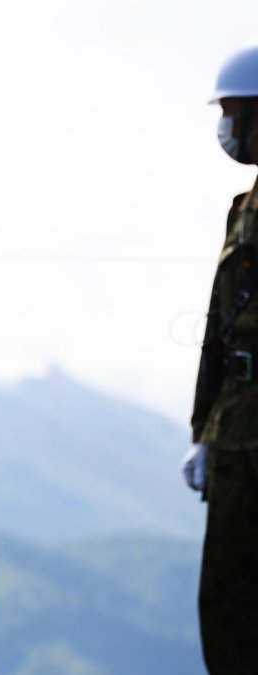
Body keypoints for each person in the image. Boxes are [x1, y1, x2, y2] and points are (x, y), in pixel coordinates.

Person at [185, 45, 258, 674]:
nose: (226, 128)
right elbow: (219, 331)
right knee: (227, 602)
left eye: (236, 112)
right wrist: (203, 428)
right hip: (237, 434)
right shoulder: (243, 209)